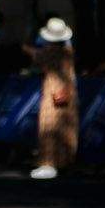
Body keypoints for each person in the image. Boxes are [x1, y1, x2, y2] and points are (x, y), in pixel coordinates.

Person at [30, 18, 79, 178]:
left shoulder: (49, 52)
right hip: (69, 92)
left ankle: (49, 163)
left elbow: (36, 60)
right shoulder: (69, 52)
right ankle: (67, 161)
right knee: (67, 127)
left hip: (53, 91)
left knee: (48, 126)